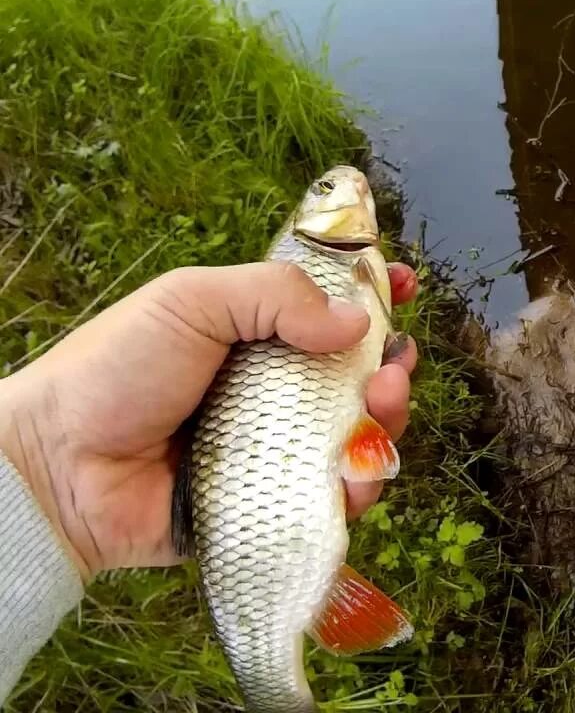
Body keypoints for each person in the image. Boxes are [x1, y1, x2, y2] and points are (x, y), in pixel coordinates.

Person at [0, 260, 420, 699]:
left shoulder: (323, 267)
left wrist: (46, 469)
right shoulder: (327, 262)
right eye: (328, 185)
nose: (350, 187)